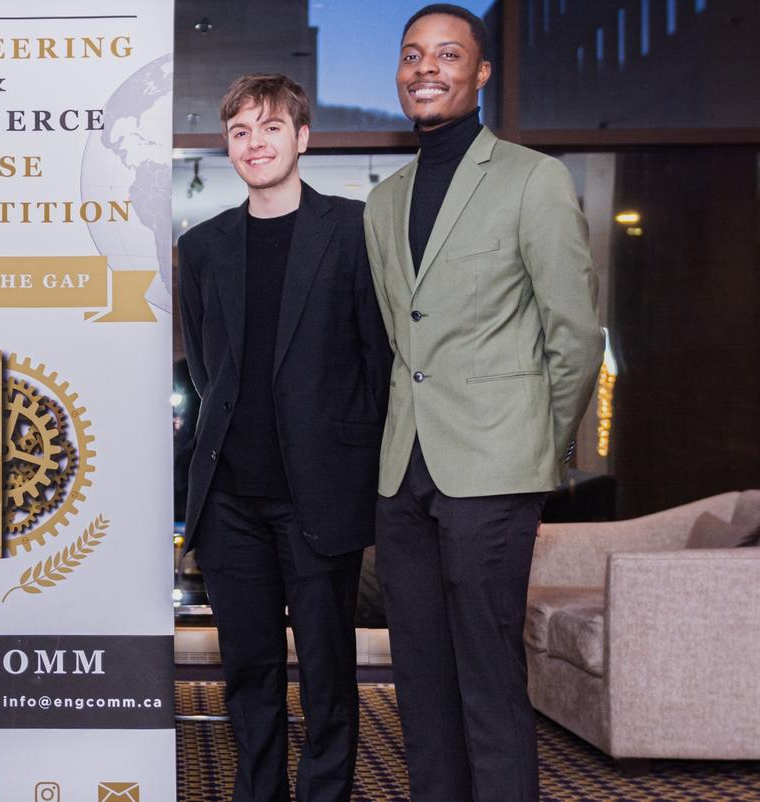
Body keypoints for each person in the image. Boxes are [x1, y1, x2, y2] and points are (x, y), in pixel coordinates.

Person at [362, 6, 604, 801]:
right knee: (421, 689)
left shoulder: (533, 179)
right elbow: (406, 341)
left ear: (480, 73)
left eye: (447, 54)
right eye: (411, 55)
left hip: (495, 470)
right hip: (406, 475)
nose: (425, 69)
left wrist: (535, 448)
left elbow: (575, 337)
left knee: (489, 683)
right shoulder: (384, 200)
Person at [178, 73, 391, 802]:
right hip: (231, 498)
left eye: (270, 128)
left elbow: (377, 359)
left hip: (319, 495)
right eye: (240, 132)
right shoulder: (203, 246)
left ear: (302, 138)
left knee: (329, 673)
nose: (254, 143)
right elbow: (208, 370)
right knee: (249, 672)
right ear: (228, 147)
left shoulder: (353, 230)